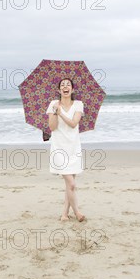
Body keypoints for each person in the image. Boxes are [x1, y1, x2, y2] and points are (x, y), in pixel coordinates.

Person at [46, 78, 86, 222]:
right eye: (62, 85)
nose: (65, 87)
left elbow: (74, 124)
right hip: (59, 148)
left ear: (72, 89)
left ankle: (64, 214)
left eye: (68, 85)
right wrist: (56, 112)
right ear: (59, 90)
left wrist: (61, 113)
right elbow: (52, 127)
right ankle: (77, 213)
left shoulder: (78, 104)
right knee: (72, 184)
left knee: (69, 185)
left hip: (73, 147)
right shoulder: (53, 104)